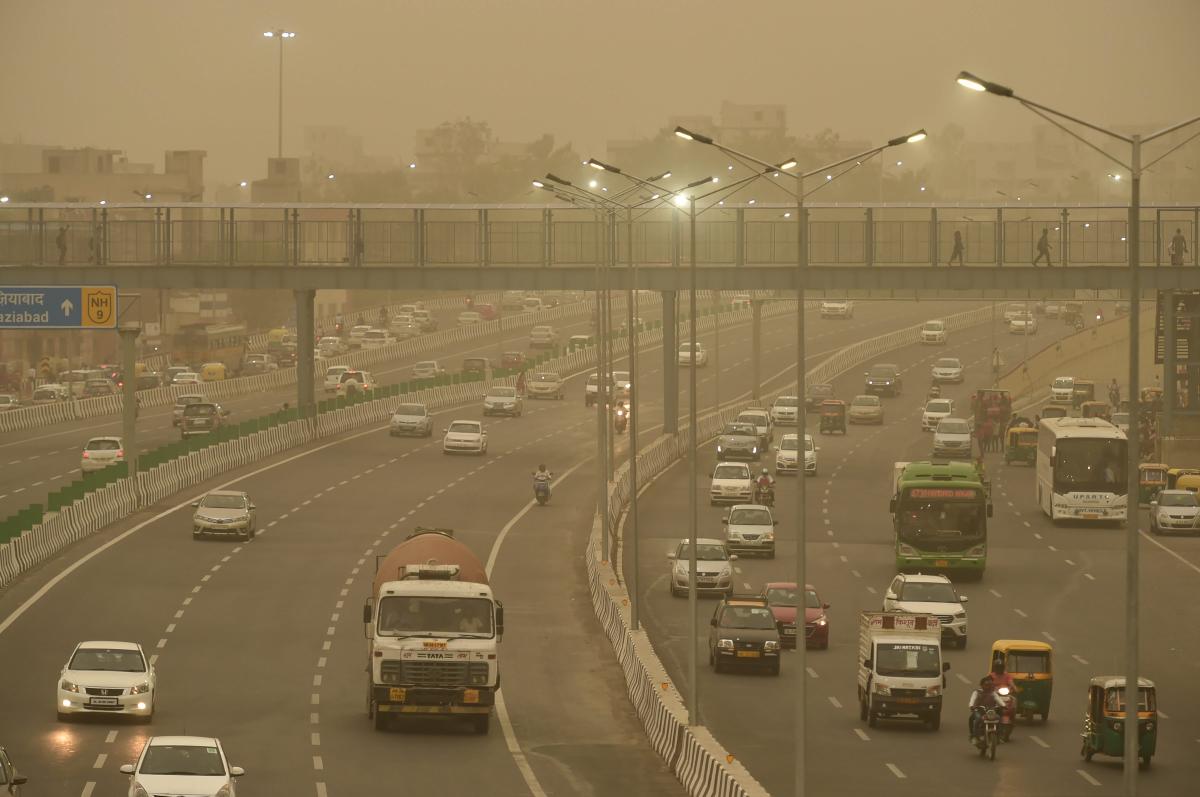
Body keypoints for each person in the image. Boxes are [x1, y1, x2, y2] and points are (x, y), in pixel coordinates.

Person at [968, 675, 1002, 741]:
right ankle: (974, 736)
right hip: (978, 710)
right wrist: (971, 706)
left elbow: (999, 699)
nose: (988, 687)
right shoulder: (977, 692)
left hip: (990, 711)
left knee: (998, 718)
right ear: (981, 685)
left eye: (989, 685)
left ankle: (998, 736)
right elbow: (972, 700)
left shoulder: (993, 693)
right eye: (986, 685)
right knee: (978, 719)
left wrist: (1003, 705)